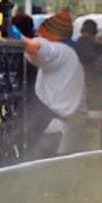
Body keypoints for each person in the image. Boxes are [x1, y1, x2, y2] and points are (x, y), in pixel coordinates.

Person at [21, 9, 87, 158]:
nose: (38, 35)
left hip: (53, 130)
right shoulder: (70, 55)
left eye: (41, 33)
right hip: (62, 128)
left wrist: (12, 32)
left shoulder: (59, 51)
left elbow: (36, 48)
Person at [74, 19, 102, 110]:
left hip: (79, 84)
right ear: (95, 32)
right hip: (95, 84)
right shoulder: (98, 47)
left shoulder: (76, 46)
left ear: (82, 30)